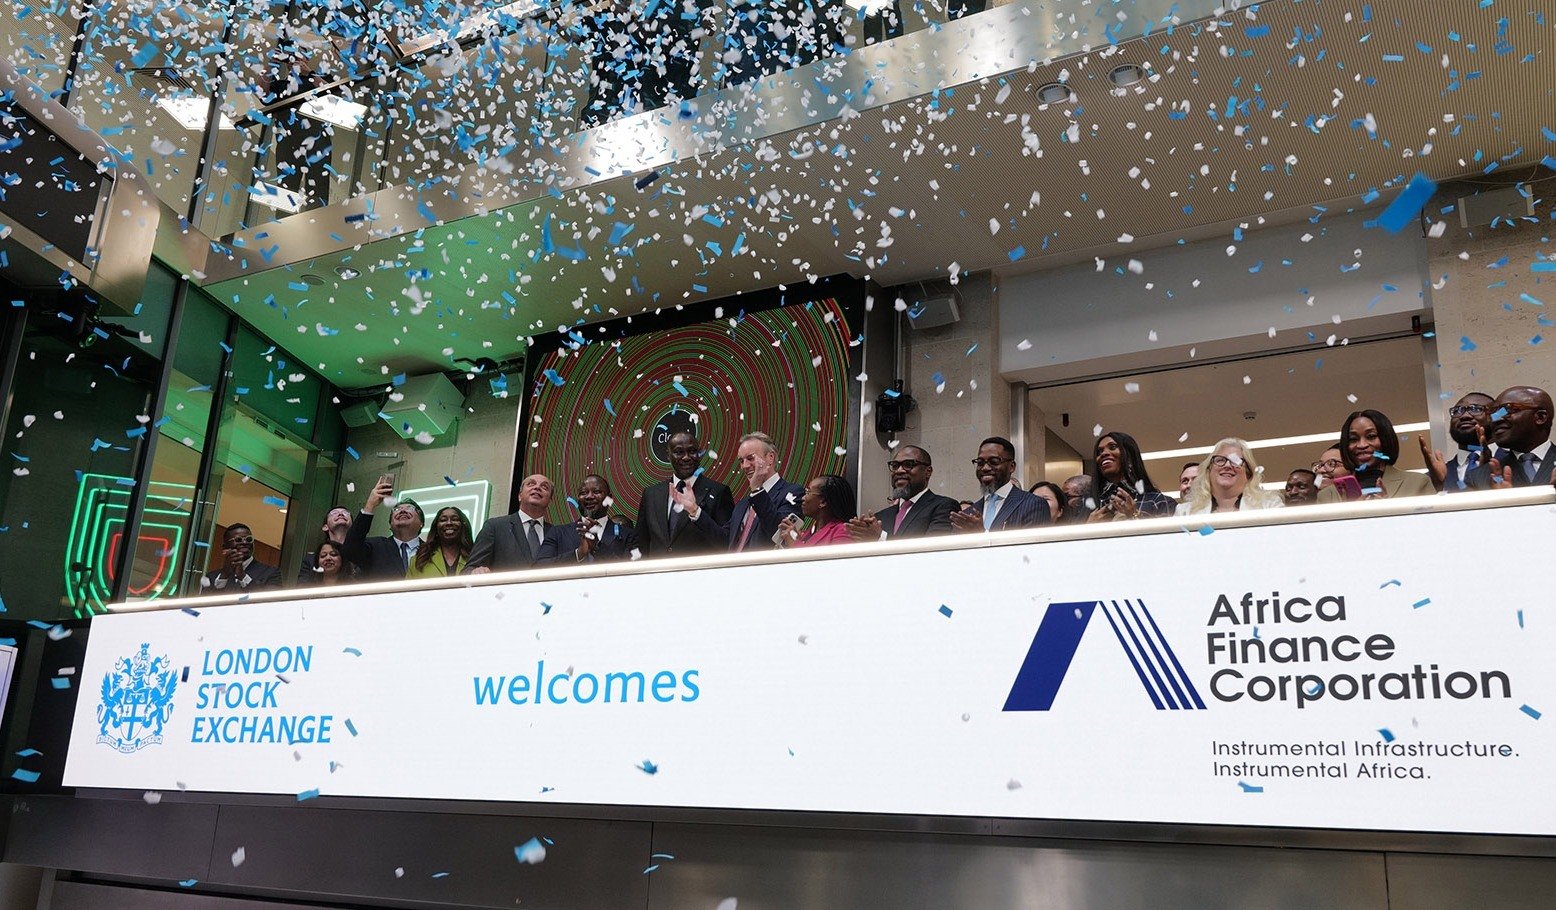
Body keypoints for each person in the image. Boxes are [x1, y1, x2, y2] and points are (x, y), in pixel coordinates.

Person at [685, 431, 803, 551]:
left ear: (770, 458)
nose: (744, 466)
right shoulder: (743, 504)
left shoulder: (793, 493)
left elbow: (780, 535)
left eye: (750, 458)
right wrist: (695, 511)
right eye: (741, 461)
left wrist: (757, 490)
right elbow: (725, 541)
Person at [636, 430, 735, 557]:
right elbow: (641, 543)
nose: (686, 457)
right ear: (668, 455)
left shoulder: (718, 492)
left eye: (692, 451)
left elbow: (727, 542)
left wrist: (696, 512)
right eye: (679, 452)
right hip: (658, 569)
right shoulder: (651, 494)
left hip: (700, 569)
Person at [846, 445, 959, 541]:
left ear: (928, 471)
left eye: (908, 464)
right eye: (895, 466)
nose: (899, 471)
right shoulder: (880, 517)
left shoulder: (944, 507)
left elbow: (933, 549)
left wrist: (881, 537)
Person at [1317, 410, 1434, 502]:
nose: (1362, 445)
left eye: (1371, 436)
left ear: (1385, 439)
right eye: (1353, 439)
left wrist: (1388, 512)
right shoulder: (1327, 495)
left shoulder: (1418, 483)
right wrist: (1348, 514)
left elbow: (1432, 524)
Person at [949, 437, 1050, 532]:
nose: (985, 468)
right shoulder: (967, 515)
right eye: (980, 462)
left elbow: (1032, 545)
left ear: (1012, 466)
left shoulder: (1034, 504)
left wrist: (981, 534)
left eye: (994, 462)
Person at [537, 474, 640, 563]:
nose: (589, 496)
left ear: (609, 499)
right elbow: (540, 567)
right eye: (583, 493)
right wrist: (579, 553)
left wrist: (598, 548)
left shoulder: (629, 535)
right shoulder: (558, 533)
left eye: (596, 491)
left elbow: (634, 569)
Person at [467, 474, 556, 573]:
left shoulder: (556, 533)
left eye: (544, 487)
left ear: (550, 501)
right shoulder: (495, 527)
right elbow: (469, 569)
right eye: (531, 484)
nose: (537, 487)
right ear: (519, 496)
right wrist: (476, 571)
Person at [1468, 386, 1555, 488]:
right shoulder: (1479, 477)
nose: (1496, 419)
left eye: (1508, 410)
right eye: (1494, 413)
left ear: (1540, 417)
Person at [343, 478, 428, 581]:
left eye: (409, 508)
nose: (402, 511)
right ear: (390, 525)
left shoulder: (432, 551)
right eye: (396, 509)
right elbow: (350, 549)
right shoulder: (375, 547)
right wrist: (370, 505)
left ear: (421, 523)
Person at [1176, 439, 1283, 515]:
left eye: (1236, 461)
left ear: (1248, 473)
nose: (1227, 465)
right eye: (1220, 460)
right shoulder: (1185, 512)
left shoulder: (1269, 505)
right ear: (1209, 470)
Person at [1086, 431, 1172, 521]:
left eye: (1113, 447)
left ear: (1130, 457)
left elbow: (1167, 530)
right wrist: (1089, 526)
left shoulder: (1155, 500)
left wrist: (1134, 516)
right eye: (1099, 452)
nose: (1103, 453)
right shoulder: (1090, 504)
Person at [1419, 392, 1495, 492]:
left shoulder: (1513, 463)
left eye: (1476, 409)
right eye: (1457, 411)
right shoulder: (1431, 479)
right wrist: (1438, 487)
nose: (1464, 416)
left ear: (1496, 417)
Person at [777, 475, 856, 548]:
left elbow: (834, 559)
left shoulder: (843, 532)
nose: (803, 498)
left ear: (823, 502)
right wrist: (796, 538)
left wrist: (793, 544)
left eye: (808, 492)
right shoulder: (807, 533)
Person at [202, 523, 283, 592]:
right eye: (238, 539)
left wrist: (242, 576)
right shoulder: (211, 577)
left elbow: (271, 602)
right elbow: (205, 603)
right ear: (225, 547)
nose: (244, 542)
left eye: (249, 539)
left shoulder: (271, 573)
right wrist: (224, 575)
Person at [408, 507, 474, 579]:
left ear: (463, 525)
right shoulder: (419, 560)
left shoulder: (475, 557)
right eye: (443, 520)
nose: (449, 523)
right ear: (436, 527)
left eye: (455, 519)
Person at [297, 505, 353, 583]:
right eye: (334, 513)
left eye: (345, 513)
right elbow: (302, 587)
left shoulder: (362, 554)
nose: (341, 514)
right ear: (325, 527)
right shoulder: (311, 560)